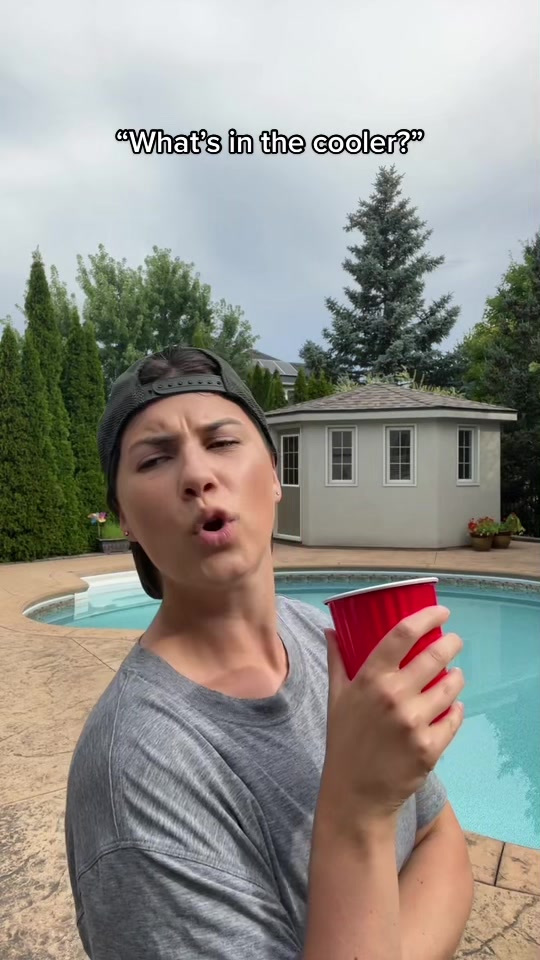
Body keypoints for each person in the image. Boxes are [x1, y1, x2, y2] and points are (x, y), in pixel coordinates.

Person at [65, 345, 474, 960]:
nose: (197, 475)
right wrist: (358, 810)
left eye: (222, 442)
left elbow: (440, 841)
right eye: (155, 459)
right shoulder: (137, 774)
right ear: (124, 518)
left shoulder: (322, 638)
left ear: (277, 477)